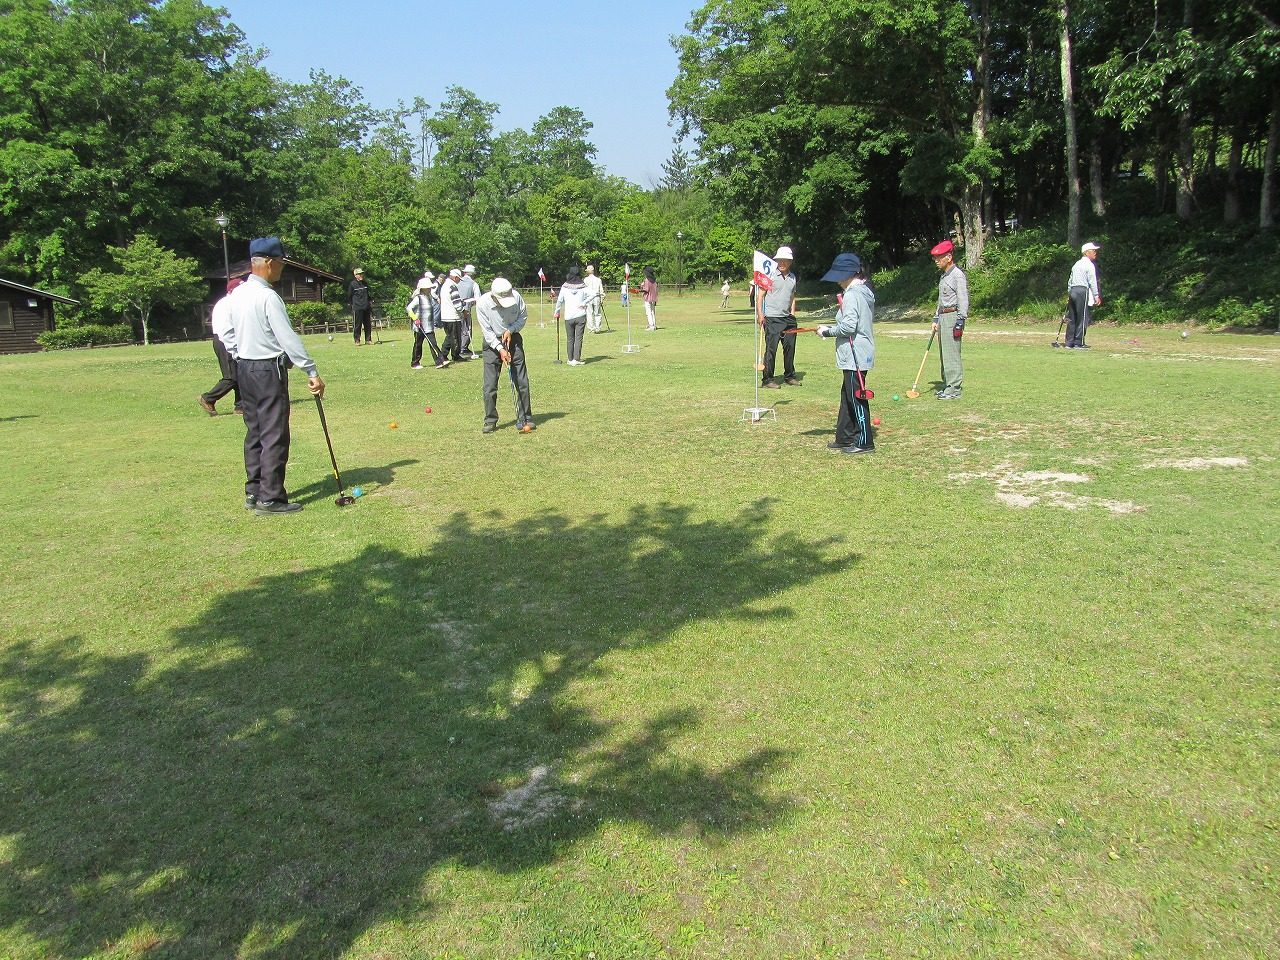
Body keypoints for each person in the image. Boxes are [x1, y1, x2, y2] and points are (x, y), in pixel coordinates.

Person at [219, 237, 325, 515]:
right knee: (274, 433)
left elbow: (226, 333)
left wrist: (239, 353)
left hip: (244, 368)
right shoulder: (268, 297)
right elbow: (287, 338)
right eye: (280, 262)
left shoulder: (237, 295)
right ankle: (271, 498)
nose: (282, 268)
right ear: (268, 262)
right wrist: (311, 370)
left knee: (254, 431)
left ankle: (254, 491)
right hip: (267, 370)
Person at [815, 253, 875, 454]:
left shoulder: (852, 294)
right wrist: (830, 327)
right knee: (847, 396)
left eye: (840, 275)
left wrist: (827, 331)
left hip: (855, 355)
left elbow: (849, 327)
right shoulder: (862, 291)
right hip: (855, 353)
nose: (838, 280)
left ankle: (864, 441)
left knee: (856, 398)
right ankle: (845, 437)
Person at [475, 277, 534, 434]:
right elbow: (487, 333)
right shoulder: (482, 304)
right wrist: (500, 349)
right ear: (494, 296)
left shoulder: (516, 297)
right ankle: (490, 419)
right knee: (490, 384)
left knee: (522, 380)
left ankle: (525, 418)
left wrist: (511, 330)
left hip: (513, 339)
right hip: (492, 344)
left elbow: (523, 317)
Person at [199, 277, 245, 416]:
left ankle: (240, 406)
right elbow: (226, 329)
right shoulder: (229, 304)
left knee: (240, 374)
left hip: (227, 340)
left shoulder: (228, 302)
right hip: (225, 341)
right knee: (231, 377)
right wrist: (233, 347)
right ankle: (208, 398)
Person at [757, 244, 800, 389]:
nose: (782, 263)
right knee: (771, 349)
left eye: (785, 260)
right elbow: (761, 296)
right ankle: (767, 379)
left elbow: (792, 296)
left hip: (788, 319)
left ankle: (790, 376)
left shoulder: (793, 277)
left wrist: (792, 314)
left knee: (790, 348)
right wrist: (760, 314)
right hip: (772, 318)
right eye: (780, 260)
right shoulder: (769, 275)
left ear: (790, 262)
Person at [931, 239, 967, 400]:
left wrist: (960, 321)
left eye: (940, 258)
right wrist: (936, 317)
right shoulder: (944, 276)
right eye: (936, 259)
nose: (937, 261)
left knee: (952, 353)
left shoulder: (957, 275)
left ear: (949, 257)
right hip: (944, 316)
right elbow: (941, 299)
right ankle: (947, 385)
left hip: (953, 316)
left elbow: (963, 299)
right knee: (944, 353)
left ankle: (954, 388)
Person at [406, 276, 448, 369]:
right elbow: (409, 308)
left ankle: (439, 361)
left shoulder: (429, 298)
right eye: (428, 288)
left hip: (429, 326)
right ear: (423, 289)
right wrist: (415, 318)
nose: (430, 289)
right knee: (418, 344)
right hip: (419, 326)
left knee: (433, 343)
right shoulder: (418, 298)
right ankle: (415, 363)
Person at [1066, 241, 1101, 350]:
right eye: (1093, 251)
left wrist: (1069, 292)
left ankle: (1069, 342)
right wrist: (1096, 295)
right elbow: (1092, 281)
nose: (1095, 253)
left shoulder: (1076, 264)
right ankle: (1079, 343)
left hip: (1073, 290)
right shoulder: (1089, 265)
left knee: (1072, 318)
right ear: (1086, 253)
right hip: (1082, 290)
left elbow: (1070, 280)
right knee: (1082, 317)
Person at [555, 266, 589, 364]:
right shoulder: (583, 286)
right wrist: (584, 303)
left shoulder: (565, 286)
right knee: (578, 338)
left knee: (570, 338)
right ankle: (576, 359)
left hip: (568, 316)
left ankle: (570, 359)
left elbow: (560, 300)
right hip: (580, 315)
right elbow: (593, 294)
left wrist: (556, 312)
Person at [438, 267, 465, 362]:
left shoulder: (445, 285)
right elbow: (457, 304)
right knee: (454, 337)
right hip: (453, 316)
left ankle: (444, 355)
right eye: (458, 279)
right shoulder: (452, 287)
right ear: (455, 277)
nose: (459, 281)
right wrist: (463, 310)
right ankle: (453, 355)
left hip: (445, 316)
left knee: (450, 337)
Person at [458, 264, 482, 358]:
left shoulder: (457, 282)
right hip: (466, 309)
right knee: (467, 328)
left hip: (455, 309)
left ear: (464, 272)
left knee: (458, 328)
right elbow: (478, 298)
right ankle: (463, 348)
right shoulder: (474, 284)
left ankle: (459, 347)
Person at [349, 267, 373, 345]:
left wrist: (370, 302)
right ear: (355, 275)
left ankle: (368, 339)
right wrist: (352, 305)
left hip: (366, 306)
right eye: (359, 274)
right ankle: (357, 340)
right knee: (357, 325)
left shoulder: (365, 283)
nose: (361, 275)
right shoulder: (353, 284)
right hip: (357, 307)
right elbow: (349, 296)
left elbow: (368, 294)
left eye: (362, 273)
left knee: (368, 324)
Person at [584, 263, 605, 333]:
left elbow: (584, 290)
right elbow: (601, 290)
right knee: (597, 313)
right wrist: (602, 298)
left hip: (588, 298)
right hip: (596, 297)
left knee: (589, 313)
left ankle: (591, 328)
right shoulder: (598, 279)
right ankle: (598, 328)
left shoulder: (585, 280)